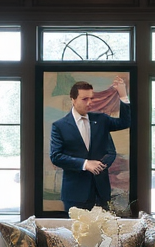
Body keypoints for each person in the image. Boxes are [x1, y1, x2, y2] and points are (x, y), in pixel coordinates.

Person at [50, 77, 131, 211]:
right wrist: (85, 164)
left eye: (91, 98)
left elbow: (125, 122)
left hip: (101, 192)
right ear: (73, 99)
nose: (89, 103)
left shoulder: (101, 119)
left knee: (102, 231)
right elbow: (56, 156)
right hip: (74, 194)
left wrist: (122, 95)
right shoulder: (59, 126)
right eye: (84, 99)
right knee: (76, 231)